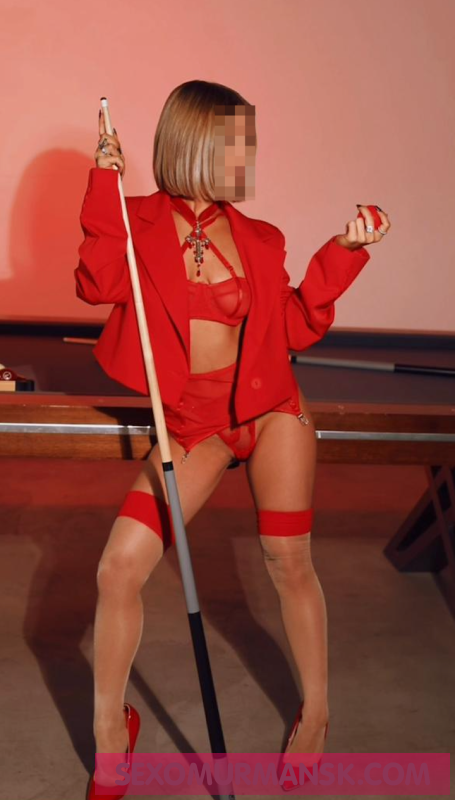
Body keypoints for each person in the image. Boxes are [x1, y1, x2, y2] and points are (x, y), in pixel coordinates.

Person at [75, 79, 391, 796]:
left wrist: (343, 251)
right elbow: (97, 282)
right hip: (194, 428)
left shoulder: (259, 238)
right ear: (194, 145)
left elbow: (297, 324)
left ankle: (316, 713)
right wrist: (102, 183)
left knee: (289, 562)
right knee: (118, 568)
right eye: (235, 145)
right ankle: (110, 733)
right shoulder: (133, 221)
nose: (248, 158)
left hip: (273, 410)